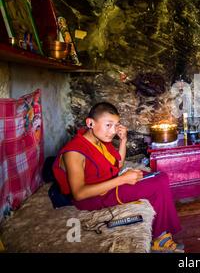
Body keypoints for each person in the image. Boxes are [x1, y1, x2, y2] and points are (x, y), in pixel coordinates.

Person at [52, 102, 183, 252]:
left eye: (116, 125)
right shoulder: (74, 152)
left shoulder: (99, 141)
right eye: (108, 125)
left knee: (161, 177)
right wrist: (122, 180)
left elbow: (117, 165)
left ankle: (163, 232)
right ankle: (160, 238)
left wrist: (123, 141)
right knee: (156, 186)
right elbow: (79, 193)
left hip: (109, 183)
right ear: (90, 123)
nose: (113, 131)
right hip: (94, 196)